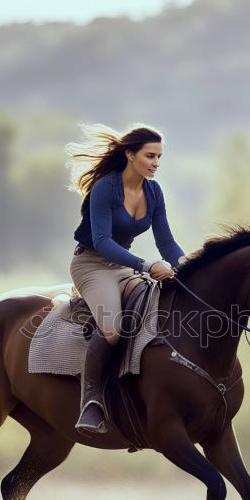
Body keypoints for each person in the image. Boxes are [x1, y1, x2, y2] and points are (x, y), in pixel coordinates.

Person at [65, 123, 188, 435]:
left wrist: (189, 266)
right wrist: (147, 266)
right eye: (150, 156)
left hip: (125, 268)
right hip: (91, 265)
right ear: (130, 154)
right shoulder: (106, 187)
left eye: (159, 157)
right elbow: (104, 242)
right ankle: (91, 402)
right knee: (112, 329)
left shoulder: (153, 191)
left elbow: (167, 243)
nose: (156, 163)